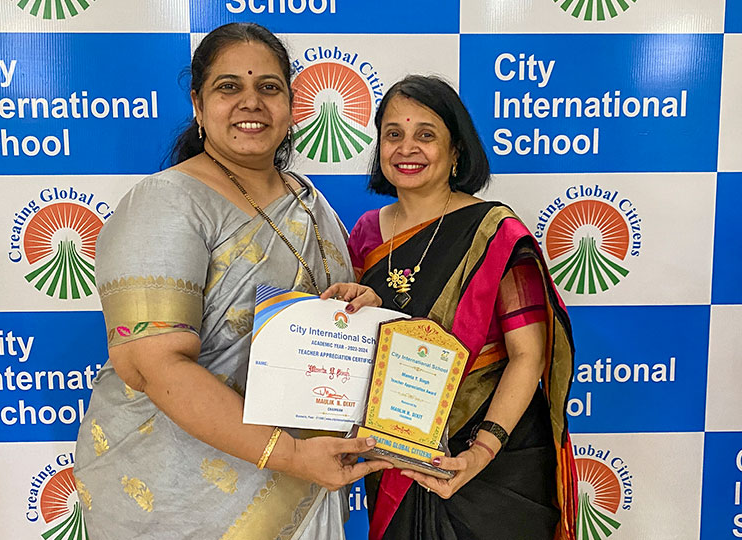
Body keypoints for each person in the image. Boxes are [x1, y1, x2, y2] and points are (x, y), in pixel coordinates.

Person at [73, 22, 390, 539]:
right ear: (198, 106)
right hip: (179, 495)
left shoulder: (309, 202)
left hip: (307, 476)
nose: (251, 102)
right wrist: (292, 456)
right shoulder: (165, 203)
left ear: (291, 106)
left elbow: (326, 319)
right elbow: (151, 365)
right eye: (229, 87)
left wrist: (356, 305)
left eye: (269, 87)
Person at [347, 75, 578, 540]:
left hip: (493, 465)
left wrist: (480, 452)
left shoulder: (495, 232)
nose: (406, 148)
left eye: (425, 134)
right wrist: (360, 312)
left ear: (456, 151)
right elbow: (358, 347)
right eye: (393, 134)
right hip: (395, 461)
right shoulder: (367, 232)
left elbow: (528, 354)